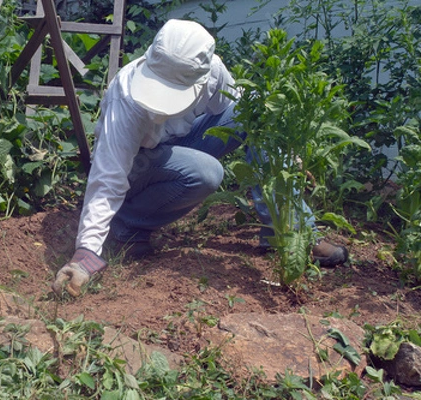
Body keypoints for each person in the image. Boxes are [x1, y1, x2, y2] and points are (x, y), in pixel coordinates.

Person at [51, 19, 348, 297]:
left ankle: (292, 233)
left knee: (256, 110)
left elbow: (239, 108)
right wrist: (86, 254)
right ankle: (127, 225)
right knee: (207, 172)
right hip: (138, 166)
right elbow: (109, 176)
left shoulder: (212, 72)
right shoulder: (126, 97)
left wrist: (283, 145)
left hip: (178, 145)